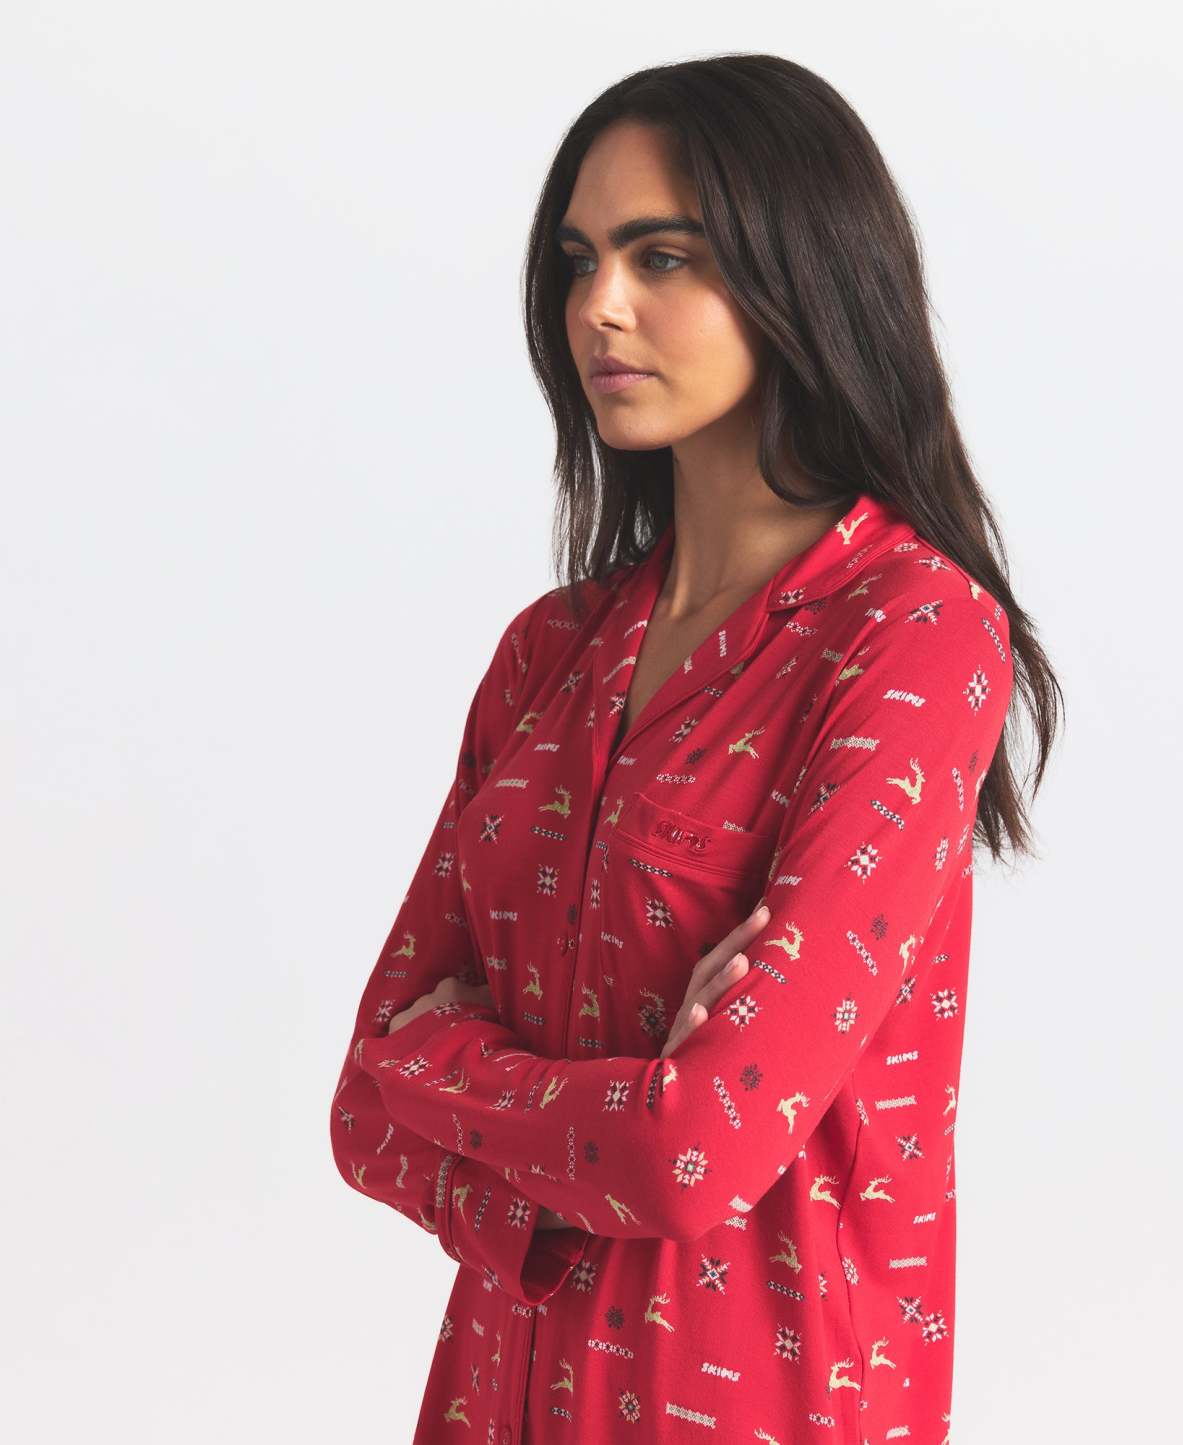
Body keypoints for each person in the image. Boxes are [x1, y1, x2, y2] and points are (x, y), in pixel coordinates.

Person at [329, 53, 1061, 1445]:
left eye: (661, 257)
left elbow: (694, 1147)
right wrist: (603, 1107)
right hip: (491, 1402)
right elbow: (361, 1107)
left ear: (800, 275)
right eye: (579, 260)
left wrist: (454, 1071)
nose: (598, 306)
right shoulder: (549, 654)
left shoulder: (908, 634)